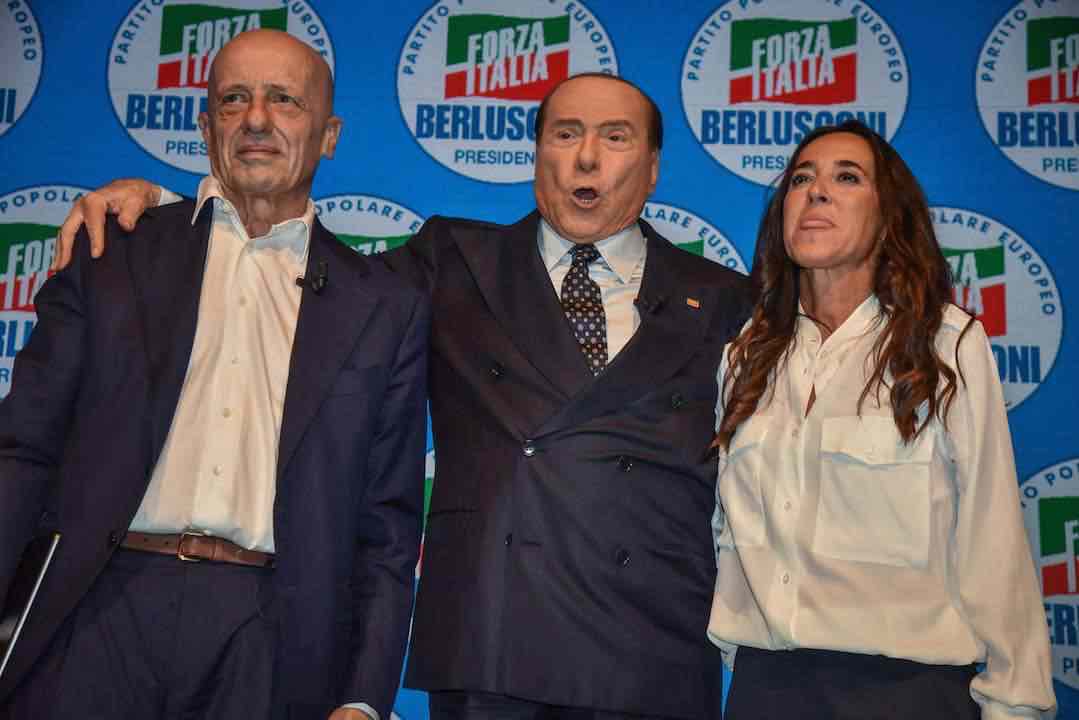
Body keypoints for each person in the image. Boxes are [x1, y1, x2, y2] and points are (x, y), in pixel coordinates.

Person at [50, 73, 755, 719]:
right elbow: (298, 276)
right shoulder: (455, 258)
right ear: (537, 153)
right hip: (496, 643)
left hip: (652, 649)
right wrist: (170, 209)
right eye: (565, 134)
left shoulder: (725, 298)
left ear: (653, 167)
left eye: (615, 138)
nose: (586, 159)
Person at [0, 29, 429, 720]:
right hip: (94, 609)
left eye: (284, 100)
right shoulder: (111, 251)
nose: (256, 119)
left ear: (328, 137)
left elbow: (387, 528)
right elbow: (21, 450)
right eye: (234, 99)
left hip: (269, 636)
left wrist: (362, 696)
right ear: (205, 129)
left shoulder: (384, 306)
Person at [709, 120, 1055, 720]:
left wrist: (1014, 702)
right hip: (767, 689)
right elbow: (726, 530)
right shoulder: (745, 355)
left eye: (847, 178)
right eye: (801, 179)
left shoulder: (945, 344)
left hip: (905, 691)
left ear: (889, 217)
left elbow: (992, 531)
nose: (817, 192)